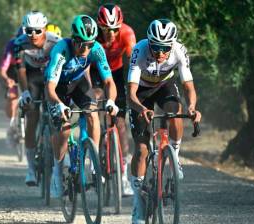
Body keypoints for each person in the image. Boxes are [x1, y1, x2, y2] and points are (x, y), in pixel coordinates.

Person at [127, 19, 201, 223]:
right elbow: (130, 94)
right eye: (156, 47)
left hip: (164, 86)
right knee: (141, 150)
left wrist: (192, 107)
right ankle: (138, 202)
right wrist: (142, 109)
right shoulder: (139, 50)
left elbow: (188, 86)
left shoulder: (179, 50)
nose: (160, 52)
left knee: (175, 111)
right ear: (149, 43)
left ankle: (174, 154)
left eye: (165, 48)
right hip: (140, 93)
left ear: (172, 44)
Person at [45, 15, 118, 197]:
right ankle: (57, 170)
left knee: (93, 114)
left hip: (78, 83)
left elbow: (109, 81)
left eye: (90, 44)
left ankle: (94, 165)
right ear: (74, 39)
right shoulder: (61, 50)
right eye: (82, 44)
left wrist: (110, 100)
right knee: (65, 128)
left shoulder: (96, 49)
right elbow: (50, 88)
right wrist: (60, 105)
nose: (86, 49)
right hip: (58, 87)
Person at [14, 11, 60, 186]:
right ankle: (31, 169)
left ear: (45, 29)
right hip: (32, 77)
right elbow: (21, 70)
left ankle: (58, 164)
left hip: (50, 76)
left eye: (37, 31)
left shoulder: (55, 41)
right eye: (29, 30)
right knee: (32, 116)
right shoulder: (20, 43)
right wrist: (24, 92)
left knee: (56, 117)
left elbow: (61, 68)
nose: (33, 35)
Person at [94, 3, 136, 196]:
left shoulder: (127, 33)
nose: (111, 33)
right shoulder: (93, 34)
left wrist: (133, 89)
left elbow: (135, 63)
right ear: (99, 26)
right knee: (94, 107)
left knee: (120, 124)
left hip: (117, 73)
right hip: (95, 72)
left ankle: (124, 176)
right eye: (106, 29)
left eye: (114, 29)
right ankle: (95, 155)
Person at [0, 27, 24, 146]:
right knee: (13, 99)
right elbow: (3, 69)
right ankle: (12, 125)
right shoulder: (11, 46)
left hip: (27, 71)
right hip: (12, 72)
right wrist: (8, 80)